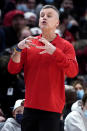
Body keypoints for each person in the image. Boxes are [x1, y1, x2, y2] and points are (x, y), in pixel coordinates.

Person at [8, 5, 78, 131]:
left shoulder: (66, 46)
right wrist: (18, 49)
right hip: (29, 106)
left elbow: (73, 72)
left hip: (52, 108)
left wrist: (55, 52)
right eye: (42, 15)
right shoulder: (29, 42)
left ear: (57, 23)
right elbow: (12, 70)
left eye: (49, 15)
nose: (44, 17)